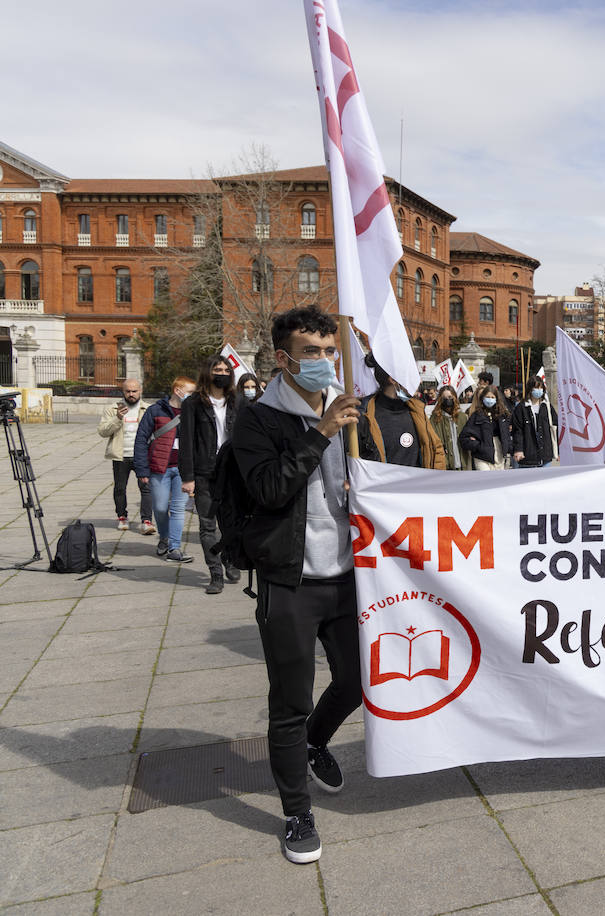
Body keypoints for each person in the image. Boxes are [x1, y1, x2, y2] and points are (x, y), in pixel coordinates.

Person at [232, 307, 363, 865]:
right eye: (312, 352)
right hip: (289, 579)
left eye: (330, 350)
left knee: (356, 683)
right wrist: (320, 432)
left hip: (348, 575)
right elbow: (268, 490)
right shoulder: (258, 420)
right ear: (284, 359)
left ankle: (313, 742)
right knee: (289, 701)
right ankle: (295, 812)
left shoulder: (350, 407)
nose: (324, 361)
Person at [179, 356, 240, 594]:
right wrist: (187, 477)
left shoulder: (237, 401)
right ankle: (215, 573)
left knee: (231, 523)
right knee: (207, 526)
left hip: (232, 471)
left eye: (226, 369)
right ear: (208, 372)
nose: (222, 373)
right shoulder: (193, 403)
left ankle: (229, 559)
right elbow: (186, 441)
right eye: (218, 369)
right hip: (205, 472)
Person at [133, 376, 196, 563]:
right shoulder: (155, 410)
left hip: (183, 470)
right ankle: (164, 537)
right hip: (159, 468)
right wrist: (142, 470)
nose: (194, 396)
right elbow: (141, 440)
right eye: (191, 392)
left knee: (178, 508)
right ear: (178, 391)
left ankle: (174, 548)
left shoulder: (193, 412)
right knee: (160, 508)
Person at [356, 354, 446, 468]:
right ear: (393, 379)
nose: (418, 381)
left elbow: (436, 451)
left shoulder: (417, 411)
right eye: (411, 374)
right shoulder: (363, 416)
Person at [97, 378, 155, 535]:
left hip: (141, 456)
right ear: (123, 392)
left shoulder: (148, 409)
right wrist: (117, 418)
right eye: (127, 391)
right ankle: (122, 516)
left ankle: (146, 521)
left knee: (146, 487)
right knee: (120, 488)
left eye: (134, 391)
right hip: (121, 455)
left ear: (140, 391)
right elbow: (103, 431)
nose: (131, 394)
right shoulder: (113, 409)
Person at [460, 383, 514, 470]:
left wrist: (511, 449)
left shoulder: (502, 415)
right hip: (482, 456)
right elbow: (464, 438)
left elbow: (506, 435)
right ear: (482, 398)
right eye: (487, 397)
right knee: (486, 479)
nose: (490, 400)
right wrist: (478, 446)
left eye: (492, 397)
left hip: (499, 454)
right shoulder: (476, 415)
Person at [512, 374, 558, 468]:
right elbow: (517, 431)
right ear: (530, 389)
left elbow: (556, 427)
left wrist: (559, 451)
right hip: (527, 456)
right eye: (536, 388)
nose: (539, 390)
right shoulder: (521, 408)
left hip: (545, 455)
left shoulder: (547, 406)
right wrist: (518, 449)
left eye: (541, 388)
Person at [429, 385, 470, 470]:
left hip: (462, 462)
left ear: (454, 397)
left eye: (450, 397)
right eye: (444, 397)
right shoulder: (435, 418)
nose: (448, 400)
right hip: (445, 464)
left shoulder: (462, 417)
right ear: (440, 399)